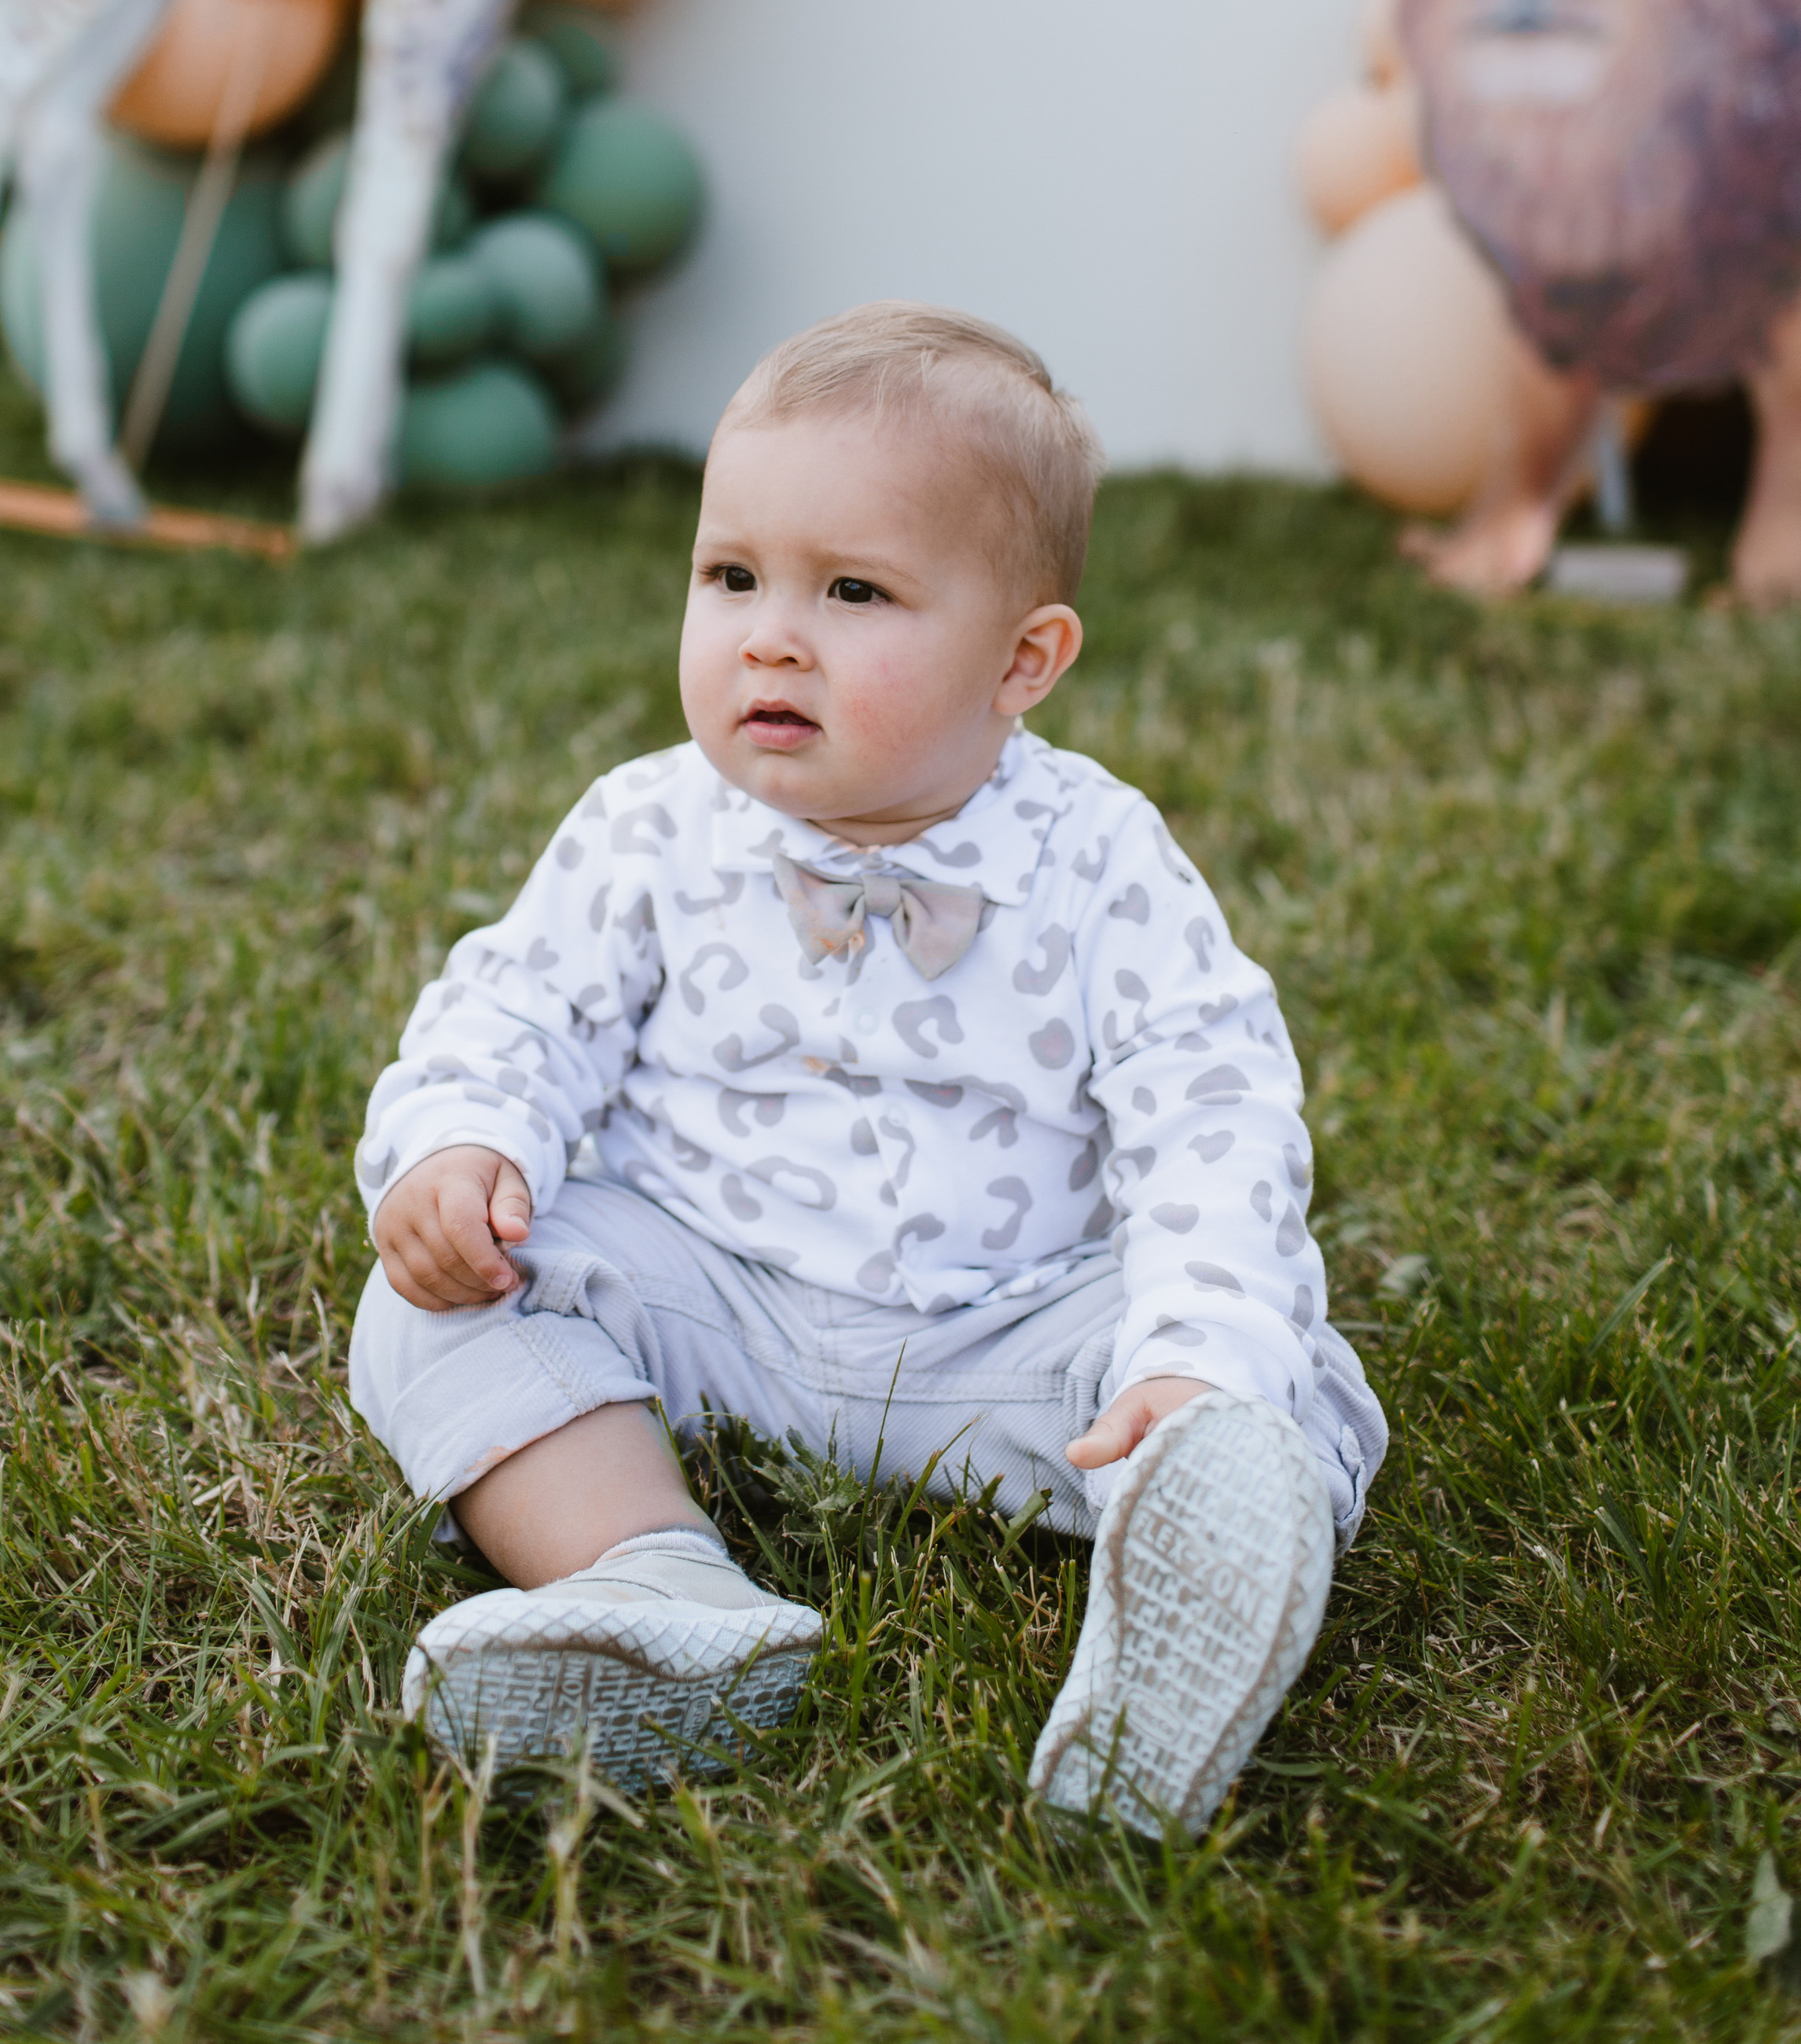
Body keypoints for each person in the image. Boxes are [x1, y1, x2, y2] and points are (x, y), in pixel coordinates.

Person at [348, 302, 1387, 1830]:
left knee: (1273, 1376)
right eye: (730, 576)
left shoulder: (1097, 858)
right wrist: (463, 1143)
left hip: (1008, 1335)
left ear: (1020, 661)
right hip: (708, 1294)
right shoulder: (647, 827)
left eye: (852, 589)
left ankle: (1172, 1608)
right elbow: (521, 1006)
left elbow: (1206, 1108)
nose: (769, 631)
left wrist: (1184, 1354)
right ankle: (652, 1587)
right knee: (433, 1306)